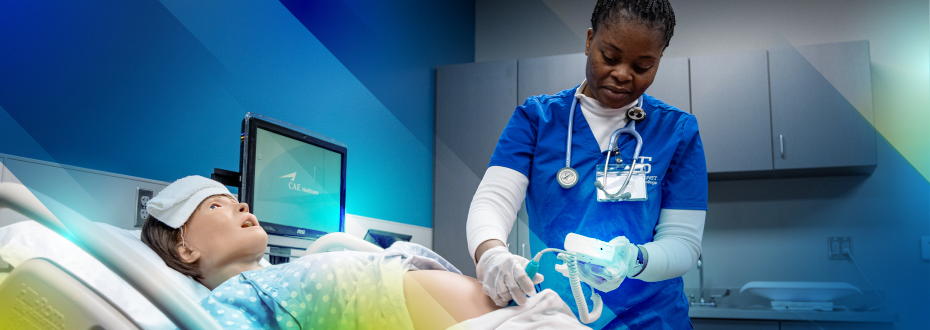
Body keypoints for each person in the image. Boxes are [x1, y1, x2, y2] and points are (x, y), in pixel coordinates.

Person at [466, 0, 706, 328]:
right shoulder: (538, 119)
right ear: (590, 40)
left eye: (642, 66)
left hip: (652, 319)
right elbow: (493, 200)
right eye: (610, 57)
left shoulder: (676, 131)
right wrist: (492, 253)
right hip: (556, 314)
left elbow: (683, 243)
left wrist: (634, 261)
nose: (622, 75)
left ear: (659, 60)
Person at [140, 176, 588, 330]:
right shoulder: (231, 298)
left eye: (235, 198)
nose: (241, 204)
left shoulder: (294, 267)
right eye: (217, 205)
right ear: (185, 246)